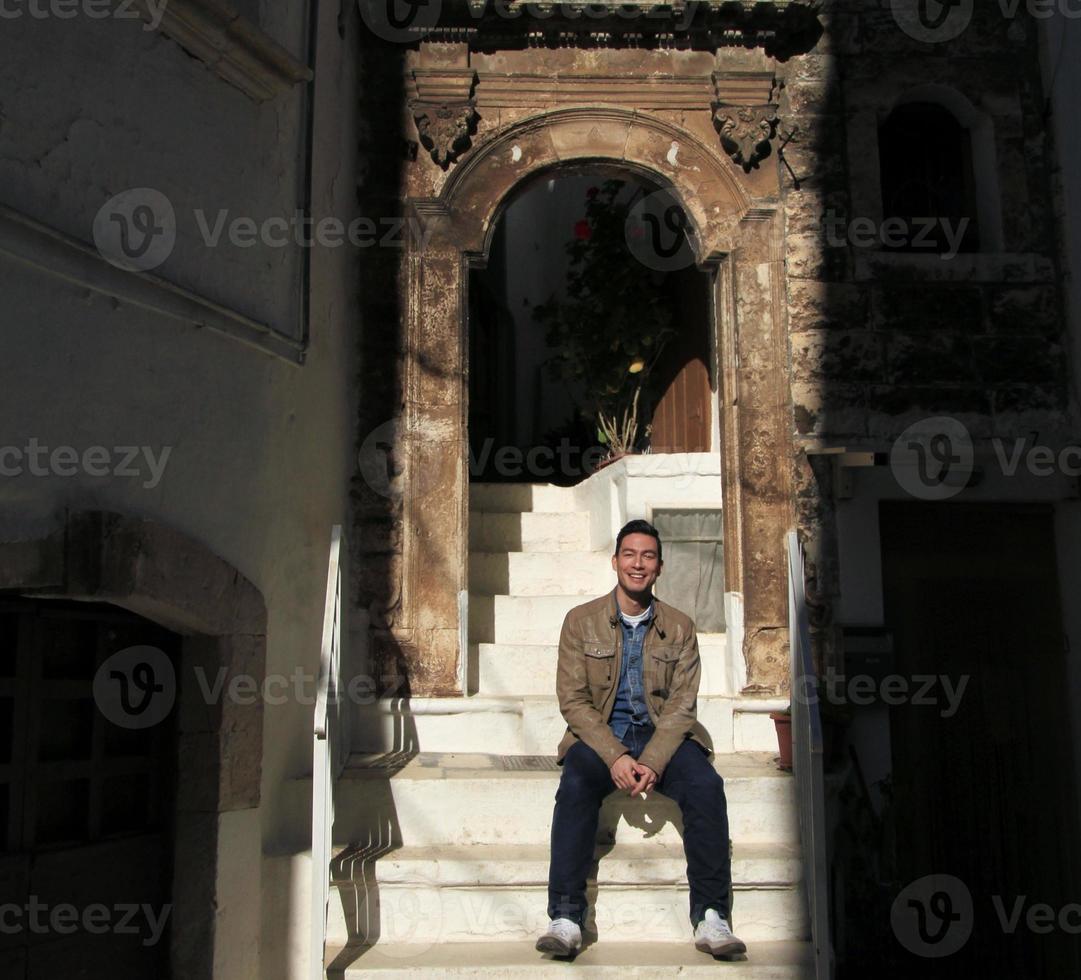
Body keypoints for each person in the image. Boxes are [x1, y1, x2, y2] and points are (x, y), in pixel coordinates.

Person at [535, 518, 746, 959]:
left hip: (662, 734)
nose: (638, 563)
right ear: (615, 562)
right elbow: (573, 701)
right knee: (574, 786)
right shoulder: (579, 622)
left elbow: (682, 707)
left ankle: (710, 915)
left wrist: (651, 761)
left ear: (660, 567)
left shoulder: (681, 627)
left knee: (707, 787)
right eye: (629, 554)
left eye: (647, 556)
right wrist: (613, 756)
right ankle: (567, 915)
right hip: (600, 734)